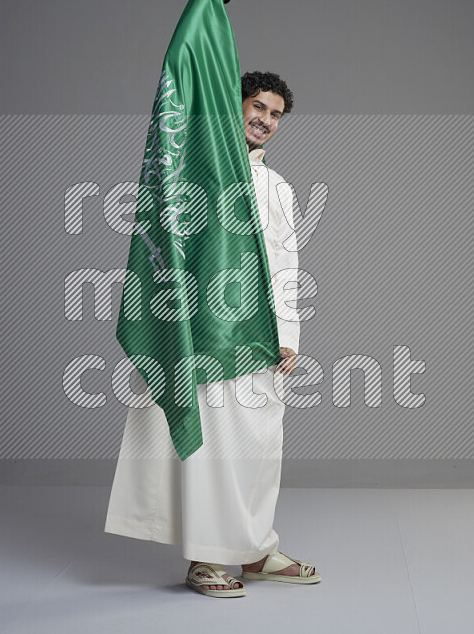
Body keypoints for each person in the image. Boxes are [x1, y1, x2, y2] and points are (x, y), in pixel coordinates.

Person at [105, 71, 320, 597]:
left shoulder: (277, 187)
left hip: (257, 335)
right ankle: (206, 558)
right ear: (234, 106)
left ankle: (255, 549)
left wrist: (289, 332)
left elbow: (287, 264)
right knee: (205, 447)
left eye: (274, 115)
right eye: (258, 108)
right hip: (202, 333)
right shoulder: (193, 175)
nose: (265, 121)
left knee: (260, 444)